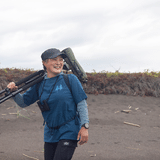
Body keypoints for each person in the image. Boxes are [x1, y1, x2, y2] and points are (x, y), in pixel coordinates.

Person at [7, 48, 89, 160]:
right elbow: (23, 102)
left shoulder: (70, 79)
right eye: (54, 59)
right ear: (44, 63)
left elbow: (81, 103)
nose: (59, 63)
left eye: (61, 60)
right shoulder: (39, 83)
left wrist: (85, 126)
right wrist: (13, 92)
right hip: (50, 133)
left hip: (69, 130)